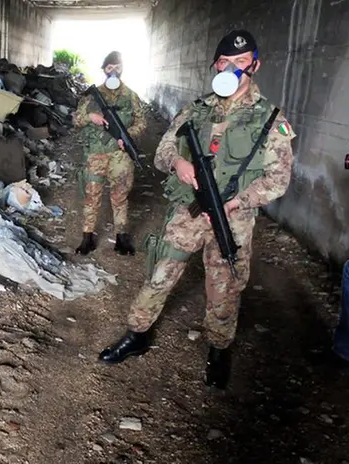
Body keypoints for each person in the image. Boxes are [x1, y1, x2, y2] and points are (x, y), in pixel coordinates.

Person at [97, 30, 296, 390]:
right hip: (188, 211)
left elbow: (278, 179)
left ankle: (219, 349)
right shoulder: (196, 109)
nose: (232, 69)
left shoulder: (270, 119)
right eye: (224, 62)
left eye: (240, 62)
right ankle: (136, 333)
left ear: (255, 65)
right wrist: (179, 164)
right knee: (160, 273)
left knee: (224, 288)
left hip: (231, 220)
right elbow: (162, 152)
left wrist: (237, 201)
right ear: (215, 65)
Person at [73, 51, 146, 256]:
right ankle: (87, 237)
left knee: (120, 195)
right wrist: (90, 116)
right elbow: (76, 120)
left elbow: (142, 122)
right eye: (109, 67)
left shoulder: (131, 96)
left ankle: (121, 237)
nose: (113, 71)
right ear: (104, 70)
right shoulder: (91, 96)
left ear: (122, 68)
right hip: (96, 154)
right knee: (91, 196)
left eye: (117, 67)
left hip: (120, 155)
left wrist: (129, 134)